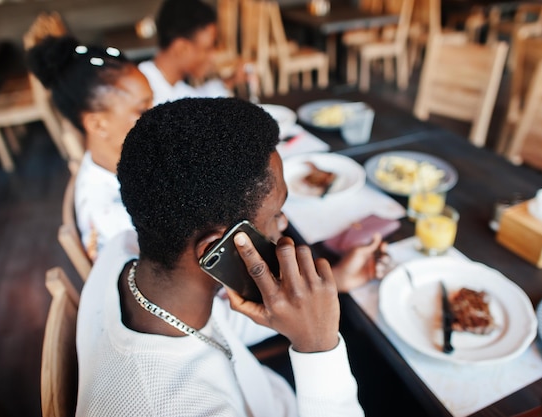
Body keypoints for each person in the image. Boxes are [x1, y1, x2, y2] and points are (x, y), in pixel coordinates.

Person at [76, 98, 378, 416]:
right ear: (216, 248)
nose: (283, 223)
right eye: (276, 213)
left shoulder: (125, 254)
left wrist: (337, 282)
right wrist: (318, 346)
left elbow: (219, 327)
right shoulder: (173, 406)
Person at [27, 35, 153, 260]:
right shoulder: (111, 217)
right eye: (142, 110)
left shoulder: (127, 159)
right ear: (97, 124)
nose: (155, 116)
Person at [138, 0, 247, 106]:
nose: (212, 56)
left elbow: (203, 99)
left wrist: (232, 80)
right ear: (181, 48)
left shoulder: (177, 88)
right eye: (207, 49)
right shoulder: (140, 91)